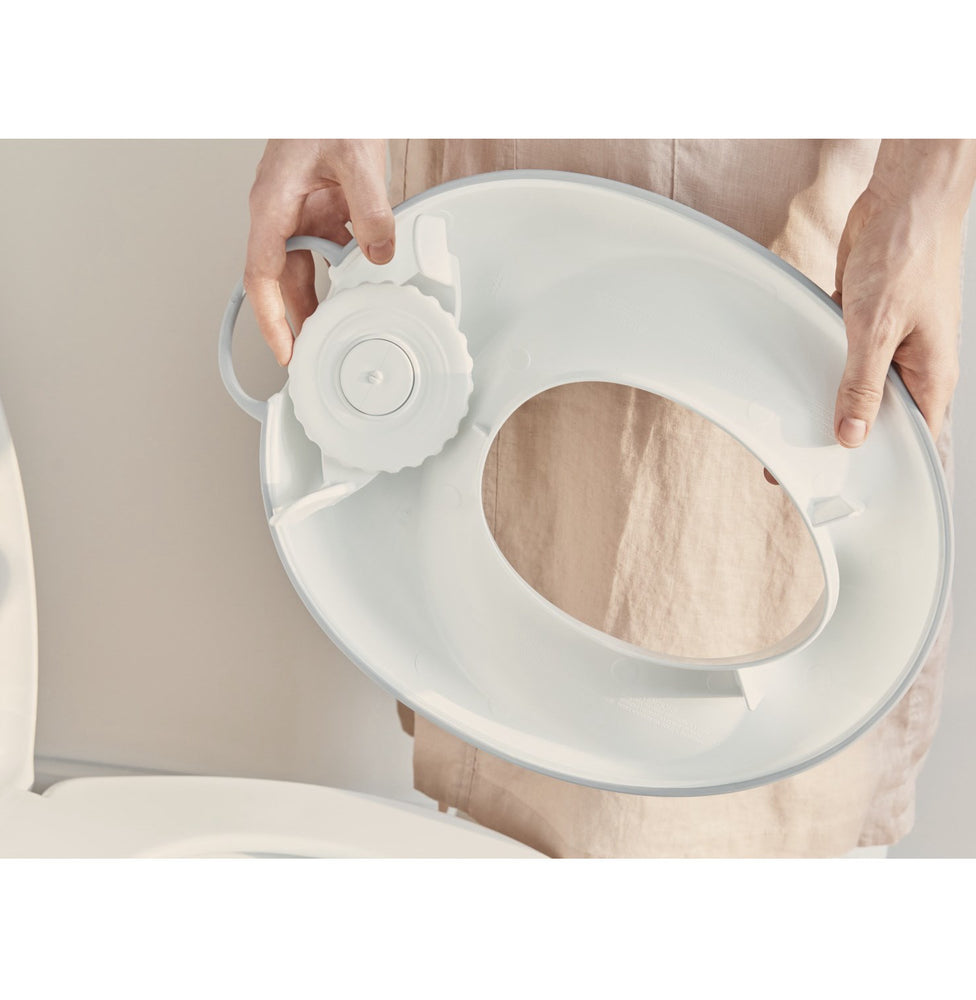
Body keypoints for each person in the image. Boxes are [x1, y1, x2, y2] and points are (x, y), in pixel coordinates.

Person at [244, 139, 976, 857]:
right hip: (490, 210)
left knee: (699, 799)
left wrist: (928, 189)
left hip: (744, 185)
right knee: (501, 701)